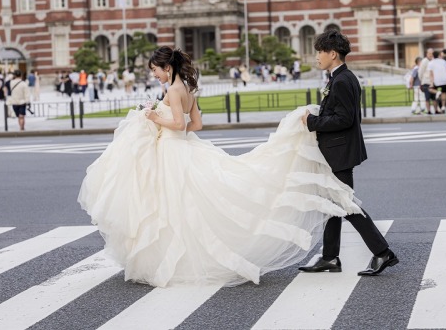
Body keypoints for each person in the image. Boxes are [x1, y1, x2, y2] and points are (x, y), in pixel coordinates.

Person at [78, 46, 362, 288]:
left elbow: (178, 124)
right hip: (184, 147)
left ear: (167, 68)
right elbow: (196, 125)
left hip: (172, 151)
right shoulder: (188, 88)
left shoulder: (174, 90)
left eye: (155, 70)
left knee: (174, 206)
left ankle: (178, 259)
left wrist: (153, 117)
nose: (154, 75)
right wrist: (171, 129)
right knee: (187, 206)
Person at [298, 30, 397, 276]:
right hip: (338, 150)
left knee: (345, 204)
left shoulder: (342, 80)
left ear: (332, 53)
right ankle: (330, 257)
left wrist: (313, 122)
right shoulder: (339, 77)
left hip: (339, 152)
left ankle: (383, 252)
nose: (317, 57)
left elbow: (344, 119)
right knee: (335, 204)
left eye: (320, 52)